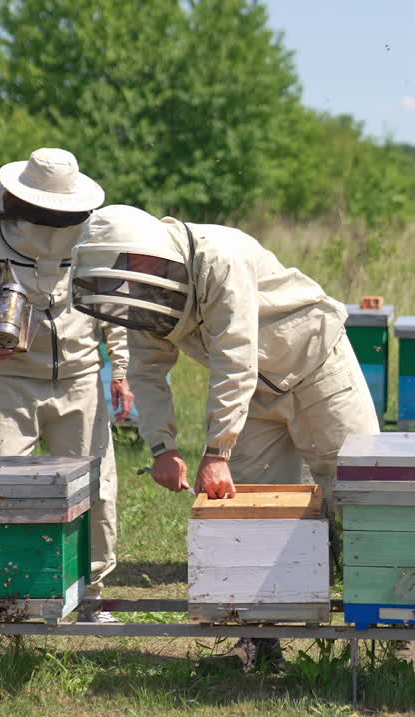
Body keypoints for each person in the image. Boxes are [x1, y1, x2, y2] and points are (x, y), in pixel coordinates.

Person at [71, 204, 380, 666]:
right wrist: (163, 447)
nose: (130, 278)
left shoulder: (219, 256)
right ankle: (259, 639)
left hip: (317, 364)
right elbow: (148, 371)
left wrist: (216, 452)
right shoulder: (147, 293)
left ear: (148, 249)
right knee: (252, 512)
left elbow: (235, 357)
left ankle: (391, 633)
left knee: (362, 491)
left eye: (132, 265)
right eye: (122, 270)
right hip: (255, 397)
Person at [0, 148, 131, 622]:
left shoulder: (96, 236)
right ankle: (10, 591)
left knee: (96, 487)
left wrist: (122, 371)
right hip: (13, 381)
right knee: (3, 489)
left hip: (83, 380)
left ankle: (92, 592)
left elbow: (114, 309)